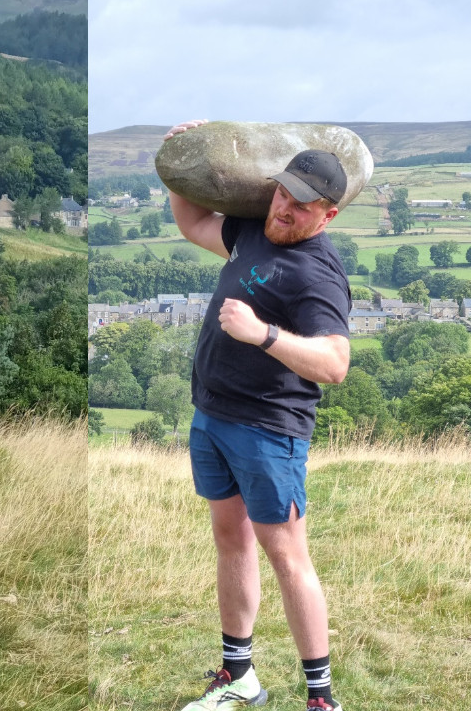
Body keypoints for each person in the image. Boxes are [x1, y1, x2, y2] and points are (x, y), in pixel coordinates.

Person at [165, 120, 351, 711]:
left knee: (287, 556)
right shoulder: (254, 230)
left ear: (328, 216)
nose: (284, 209)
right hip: (213, 416)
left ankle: (320, 698)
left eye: (301, 205)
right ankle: (238, 676)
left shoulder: (318, 275)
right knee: (231, 540)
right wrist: (183, 154)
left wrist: (263, 334)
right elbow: (194, 222)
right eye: (281, 193)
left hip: (269, 430)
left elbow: (334, 363)